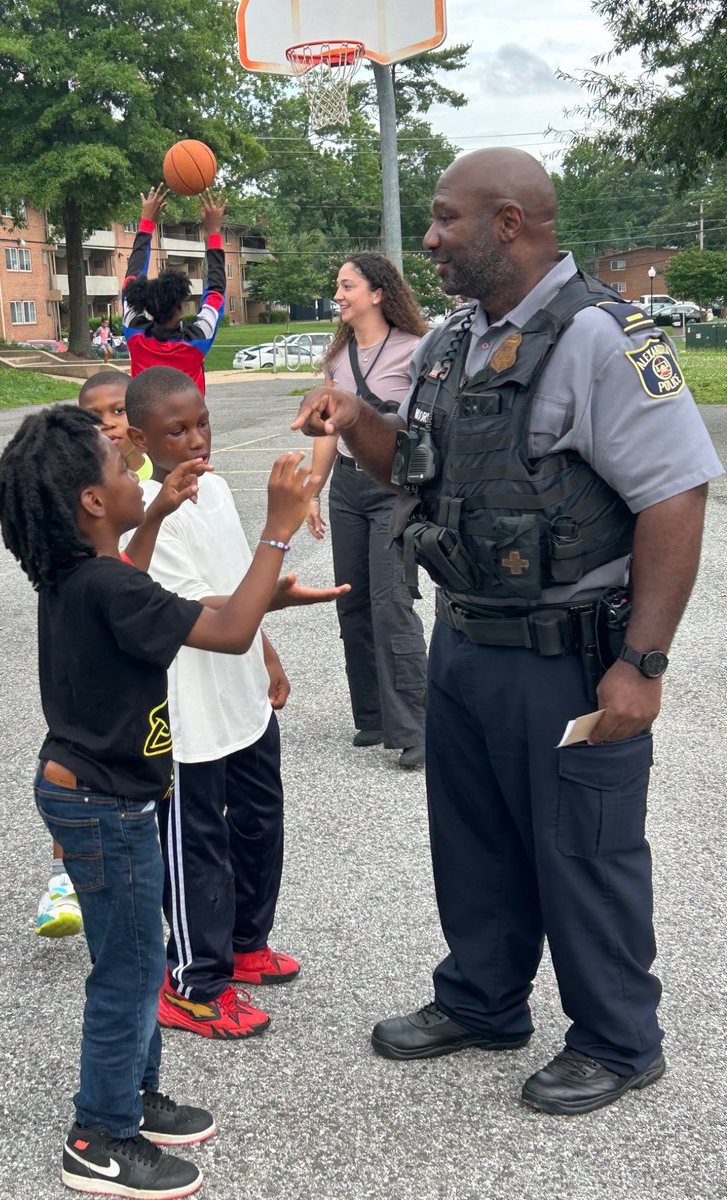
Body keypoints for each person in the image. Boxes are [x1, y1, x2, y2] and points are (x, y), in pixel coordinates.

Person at [293, 148, 723, 1116]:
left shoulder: (606, 340)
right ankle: (484, 999)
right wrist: (355, 417)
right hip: (467, 638)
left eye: (446, 222)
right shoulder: (453, 342)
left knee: (583, 845)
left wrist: (642, 663)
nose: (430, 241)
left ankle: (618, 1036)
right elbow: (417, 466)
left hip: (567, 653)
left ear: (509, 225)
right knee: (473, 835)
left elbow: (675, 496)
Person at [0, 401, 320, 1197]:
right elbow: (233, 630)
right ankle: (98, 1138)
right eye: (121, 468)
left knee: (133, 963)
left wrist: (160, 514)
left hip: (96, 796)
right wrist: (277, 527)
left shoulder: (81, 569)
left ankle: (132, 1098)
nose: (138, 471)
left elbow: (143, 584)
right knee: (130, 973)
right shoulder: (107, 583)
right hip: (105, 806)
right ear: (92, 504)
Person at [124, 366, 350, 1039]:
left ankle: (246, 942)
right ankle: (194, 982)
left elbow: (235, 581)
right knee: (199, 847)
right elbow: (201, 607)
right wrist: (277, 541)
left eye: (202, 424)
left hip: (240, 691)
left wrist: (268, 649)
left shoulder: (216, 489)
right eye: (176, 430)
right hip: (188, 714)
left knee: (259, 821)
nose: (196, 440)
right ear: (140, 438)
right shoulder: (145, 512)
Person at [33, 371, 153, 939]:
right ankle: (65, 875)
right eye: (95, 415)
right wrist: (276, 534)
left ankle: (81, 870)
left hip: (136, 646)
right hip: (102, 771)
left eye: (118, 409)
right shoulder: (87, 524)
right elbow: (222, 627)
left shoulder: (142, 483)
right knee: (130, 963)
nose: (108, 421)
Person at [306, 253, 429, 769]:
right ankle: (374, 715)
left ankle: (417, 727)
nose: (338, 294)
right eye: (338, 286)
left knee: (390, 603)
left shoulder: (416, 351)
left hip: (392, 490)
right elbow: (329, 432)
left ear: (378, 293)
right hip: (348, 491)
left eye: (347, 285)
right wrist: (313, 490)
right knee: (351, 602)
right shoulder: (338, 358)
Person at [121, 185, 226, 393]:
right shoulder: (197, 342)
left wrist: (146, 223)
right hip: (188, 425)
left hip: (146, 425)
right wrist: (214, 232)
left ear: (148, 305)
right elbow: (215, 292)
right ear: (179, 309)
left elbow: (131, 279)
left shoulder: (135, 335)